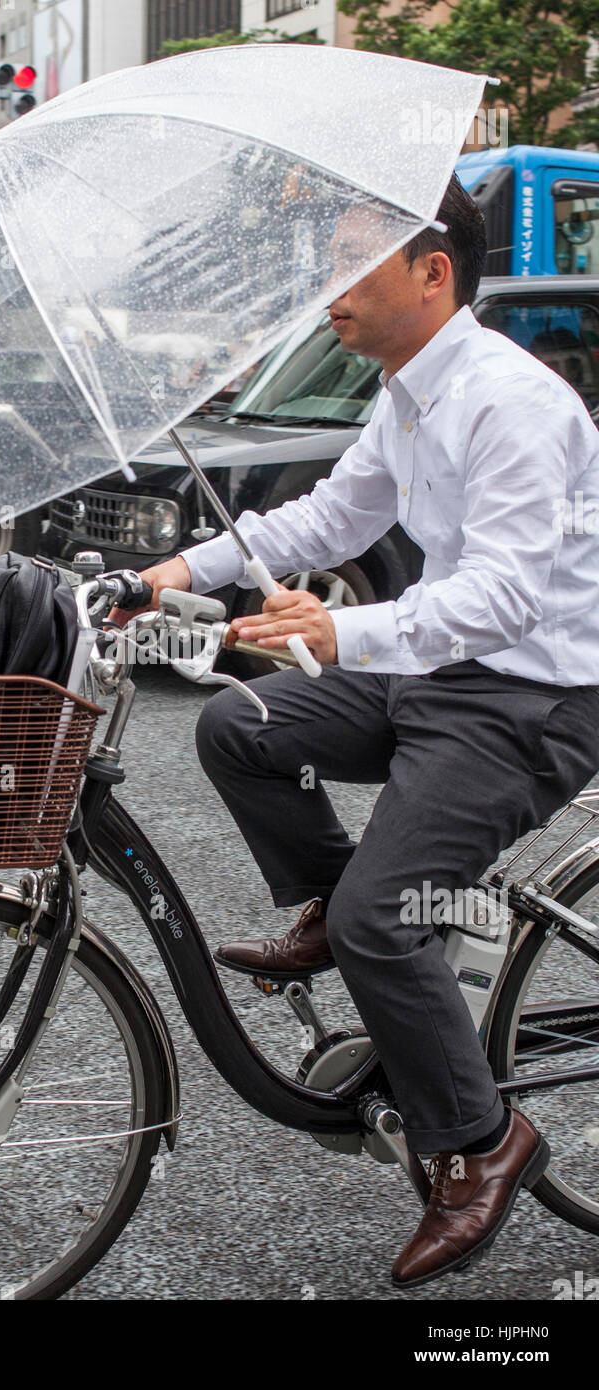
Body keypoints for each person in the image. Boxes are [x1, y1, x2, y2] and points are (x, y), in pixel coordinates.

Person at [115, 174, 599, 1288]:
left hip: (526, 700)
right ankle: (346, 908)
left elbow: (504, 598)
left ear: (432, 274)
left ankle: (481, 1144)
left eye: (349, 265)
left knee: (389, 915)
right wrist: (166, 574)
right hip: (437, 673)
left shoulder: (511, 402)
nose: (324, 289)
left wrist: (339, 628)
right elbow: (331, 515)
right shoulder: (406, 393)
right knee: (240, 723)